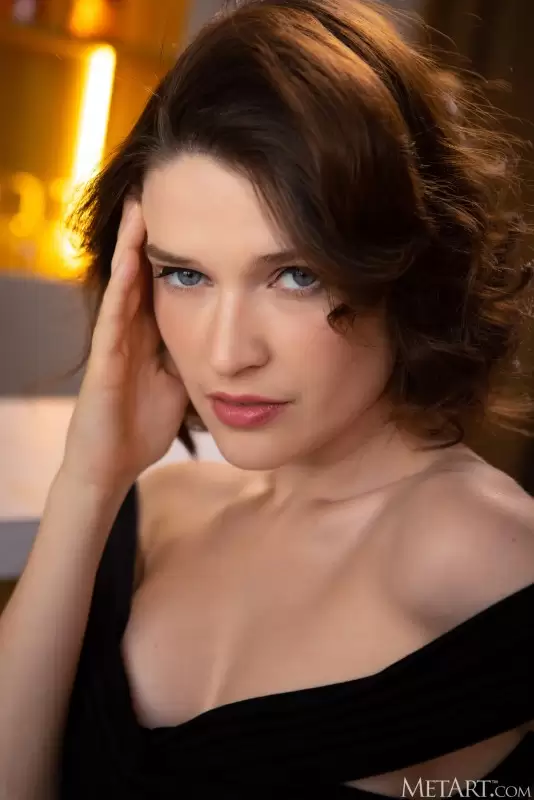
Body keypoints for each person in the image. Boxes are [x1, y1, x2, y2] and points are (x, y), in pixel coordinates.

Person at [1, 0, 534, 796]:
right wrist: (87, 479)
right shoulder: (152, 514)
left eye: (295, 275)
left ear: (408, 267)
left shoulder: (495, 565)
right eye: (186, 274)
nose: (226, 353)